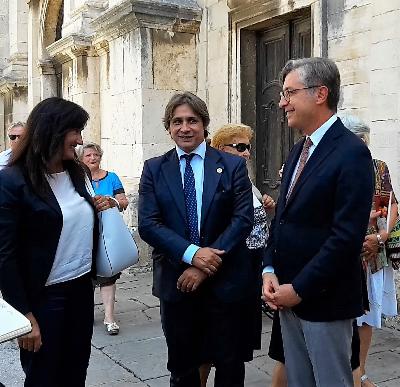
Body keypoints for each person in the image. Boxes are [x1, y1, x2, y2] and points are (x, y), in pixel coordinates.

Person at [261, 57, 374, 387]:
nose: (282, 102)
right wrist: (269, 269)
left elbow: (345, 237)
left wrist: (299, 289)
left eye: (289, 93)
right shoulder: (298, 150)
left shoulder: (351, 152)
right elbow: (282, 220)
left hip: (323, 298)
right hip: (287, 294)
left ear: (320, 93)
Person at [138, 92, 254, 387]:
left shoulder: (231, 166)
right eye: (177, 122)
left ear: (204, 125)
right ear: (169, 127)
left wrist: (204, 263)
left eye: (192, 120)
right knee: (183, 368)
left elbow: (242, 220)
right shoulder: (155, 169)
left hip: (225, 282)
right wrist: (191, 254)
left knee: (229, 365)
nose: (185, 128)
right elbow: (149, 225)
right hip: (178, 286)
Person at [0, 97, 115, 386]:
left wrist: (95, 207)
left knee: (76, 372)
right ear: (51, 130)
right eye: (74, 130)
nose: (79, 139)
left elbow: (72, 218)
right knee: (43, 377)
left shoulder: (77, 172)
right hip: (43, 298)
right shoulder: (12, 181)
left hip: (80, 289)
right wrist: (25, 316)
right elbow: (5, 256)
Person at [198, 123, 276, 385]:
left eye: (248, 148)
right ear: (221, 148)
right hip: (225, 274)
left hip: (248, 275)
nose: (246, 153)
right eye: (240, 147)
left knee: (235, 353)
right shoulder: (216, 178)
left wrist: (267, 208)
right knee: (210, 350)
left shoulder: (245, 180)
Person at [341, 114, 400, 387]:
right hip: (342, 252)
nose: (362, 144)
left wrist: (383, 234)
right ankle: (342, 371)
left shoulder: (379, 167)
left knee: (367, 317)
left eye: (364, 139)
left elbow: (390, 204)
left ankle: (360, 372)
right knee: (343, 317)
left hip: (373, 251)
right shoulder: (333, 166)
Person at [78, 142, 129, 335]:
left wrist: (111, 201)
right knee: (85, 276)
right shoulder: (77, 178)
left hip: (108, 231)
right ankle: (86, 314)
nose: (93, 158)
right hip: (84, 233)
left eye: (96, 155)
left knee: (108, 274)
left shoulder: (112, 177)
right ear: (81, 159)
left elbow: (123, 201)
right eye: (88, 155)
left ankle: (109, 318)